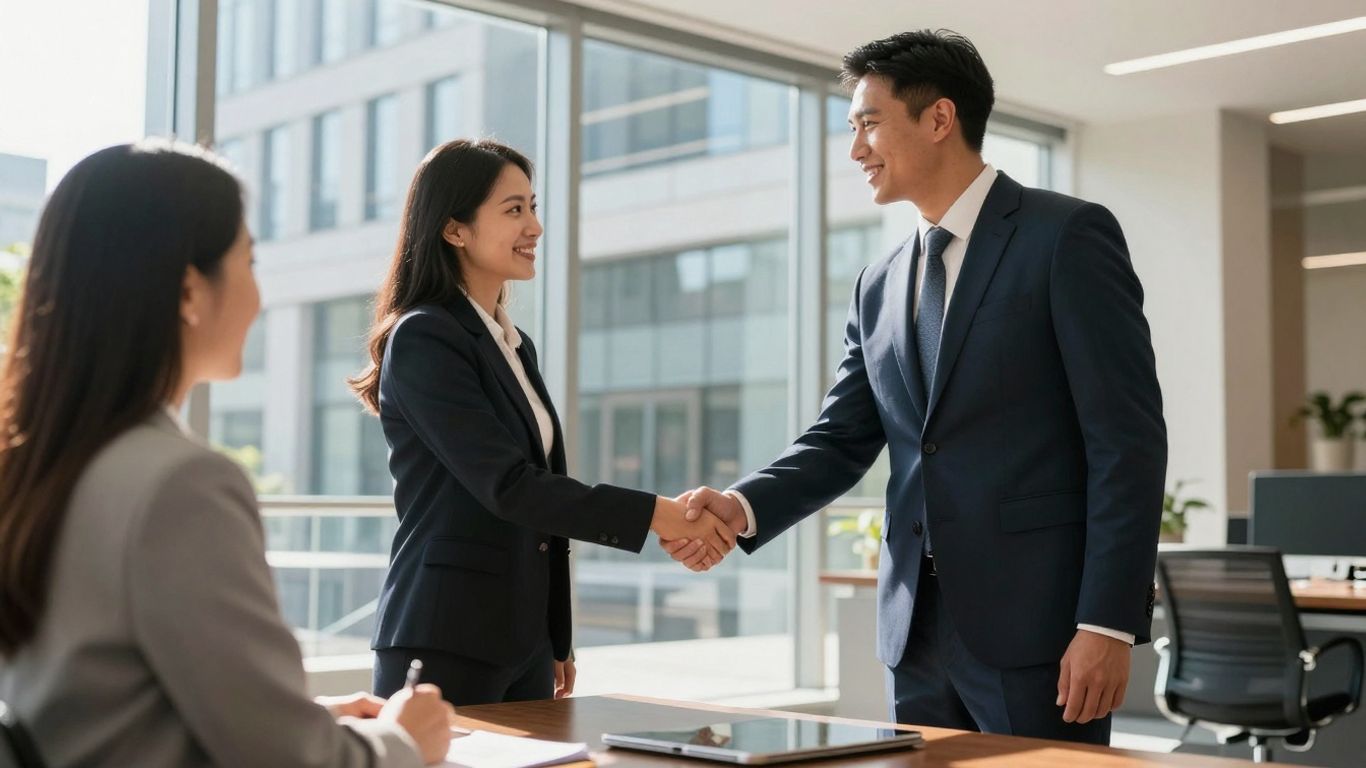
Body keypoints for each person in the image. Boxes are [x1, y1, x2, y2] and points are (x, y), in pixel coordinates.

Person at [667, 30, 1166, 745]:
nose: (855, 148)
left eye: (869, 123)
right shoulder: (879, 282)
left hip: (1042, 631)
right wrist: (741, 504)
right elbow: (840, 440)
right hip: (916, 632)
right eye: (852, 128)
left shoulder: (1066, 238)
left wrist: (1108, 621)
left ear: (939, 119)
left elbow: (1127, 441)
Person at [0, 141, 453, 767]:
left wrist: (306, 718)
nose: (258, 296)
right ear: (190, 291)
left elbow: (104, 710)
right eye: (249, 260)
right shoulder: (180, 486)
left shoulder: (41, 465)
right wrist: (406, 741)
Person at [352, 139, 736, 706]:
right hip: (445, 635)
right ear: (455, 229)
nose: (534, 226)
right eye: (513, 210)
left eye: (533, 207)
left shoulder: (511, 343)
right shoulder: (425, 335)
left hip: (523, 639)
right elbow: (508, 485)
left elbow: (539, 512)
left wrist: (557, 635)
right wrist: (661, 516)